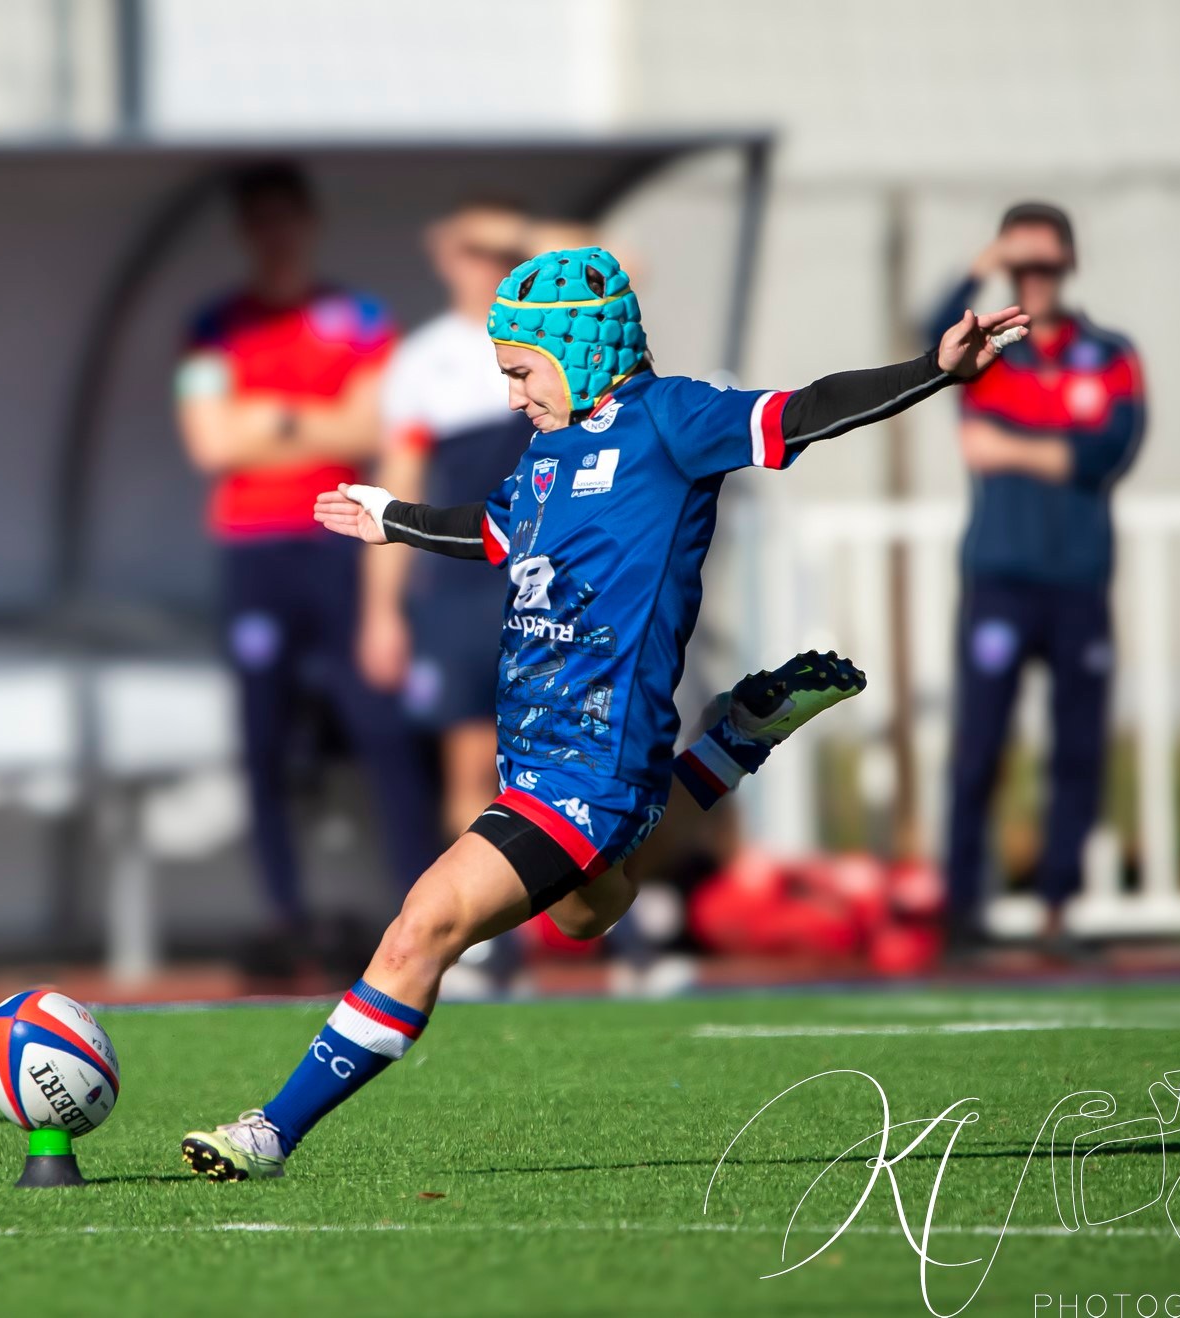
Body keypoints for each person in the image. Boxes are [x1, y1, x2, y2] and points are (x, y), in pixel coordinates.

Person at [180, 246, 1029, 1179]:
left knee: (424, 922)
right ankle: (732, 743)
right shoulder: (548, 449)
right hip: (539, 754)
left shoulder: (674, 421)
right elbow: (496, 532)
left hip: (591, 762)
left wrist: (932, 371)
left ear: (579, 349)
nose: (511, 397)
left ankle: (270, 1131)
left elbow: (807, 409)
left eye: (520, 371)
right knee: (591, 914)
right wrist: (396, 517)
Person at [175, 163, 438, 945]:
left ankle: (422, 914)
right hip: (253, 549)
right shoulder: (213, 326)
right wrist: (313, 417)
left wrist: (271, 419)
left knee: (380, 725)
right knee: (263, 737)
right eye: (258, 221)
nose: (273, 236)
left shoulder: (358, 317)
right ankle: (284, 917)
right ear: (243, 232)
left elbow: (372, 430)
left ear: (308, 223)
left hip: (339, 538)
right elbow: (210, 442)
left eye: (285, 218)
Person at [926, 203, 1146, 951]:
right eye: (1022, 266)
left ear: (1069, 267)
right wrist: (980, 264)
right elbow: (928, 341)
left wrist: (1015, 448)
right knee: (980, 746)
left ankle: (1057, 909)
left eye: (1046, 266)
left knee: (1078, 748)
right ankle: (961, 911)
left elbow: (1107, 452)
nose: (1036, 281)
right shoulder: (992, 352)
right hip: (1000, 578)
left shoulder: (1109, 353)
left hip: (1080, 579)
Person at [360, 201, 531, 856]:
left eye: (498, 251)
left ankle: (604, 935)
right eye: (470, 250)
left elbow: (625, 265)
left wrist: (519, 235)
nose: (485, 265)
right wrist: (381, 612)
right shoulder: (424, 361)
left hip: (550, 577)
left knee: (564, 760)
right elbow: (394, 493)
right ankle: (493, 944)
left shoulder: (558, 336)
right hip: (465, 586)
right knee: (470, 765)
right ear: (445, 257)